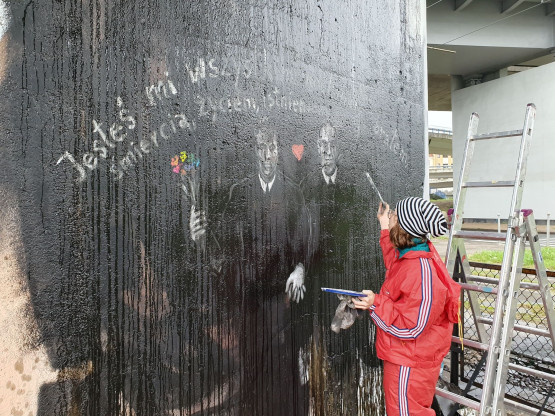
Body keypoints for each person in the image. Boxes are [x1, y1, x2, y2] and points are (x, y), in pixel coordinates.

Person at [353, 197, 461, 416]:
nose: (391, 215)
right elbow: (395, 262)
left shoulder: (422, 273)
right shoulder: (410, 255)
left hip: (410, 363)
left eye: (394, 216)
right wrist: (384, 225)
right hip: (408, 358)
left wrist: (376, 304)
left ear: (404, 227)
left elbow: (413, 328)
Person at [301, 122, 381, 413]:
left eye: (332, 144)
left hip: (352, 286)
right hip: (323, 288)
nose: (327, 151)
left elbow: (364, 240)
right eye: (322, 145)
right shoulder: (308, 189)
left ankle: (351, 401)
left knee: (355, 358)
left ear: (340, 150)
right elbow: (304, 239)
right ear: (316, 148)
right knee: (331, 356)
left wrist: (362, 287)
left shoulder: (355, 189)